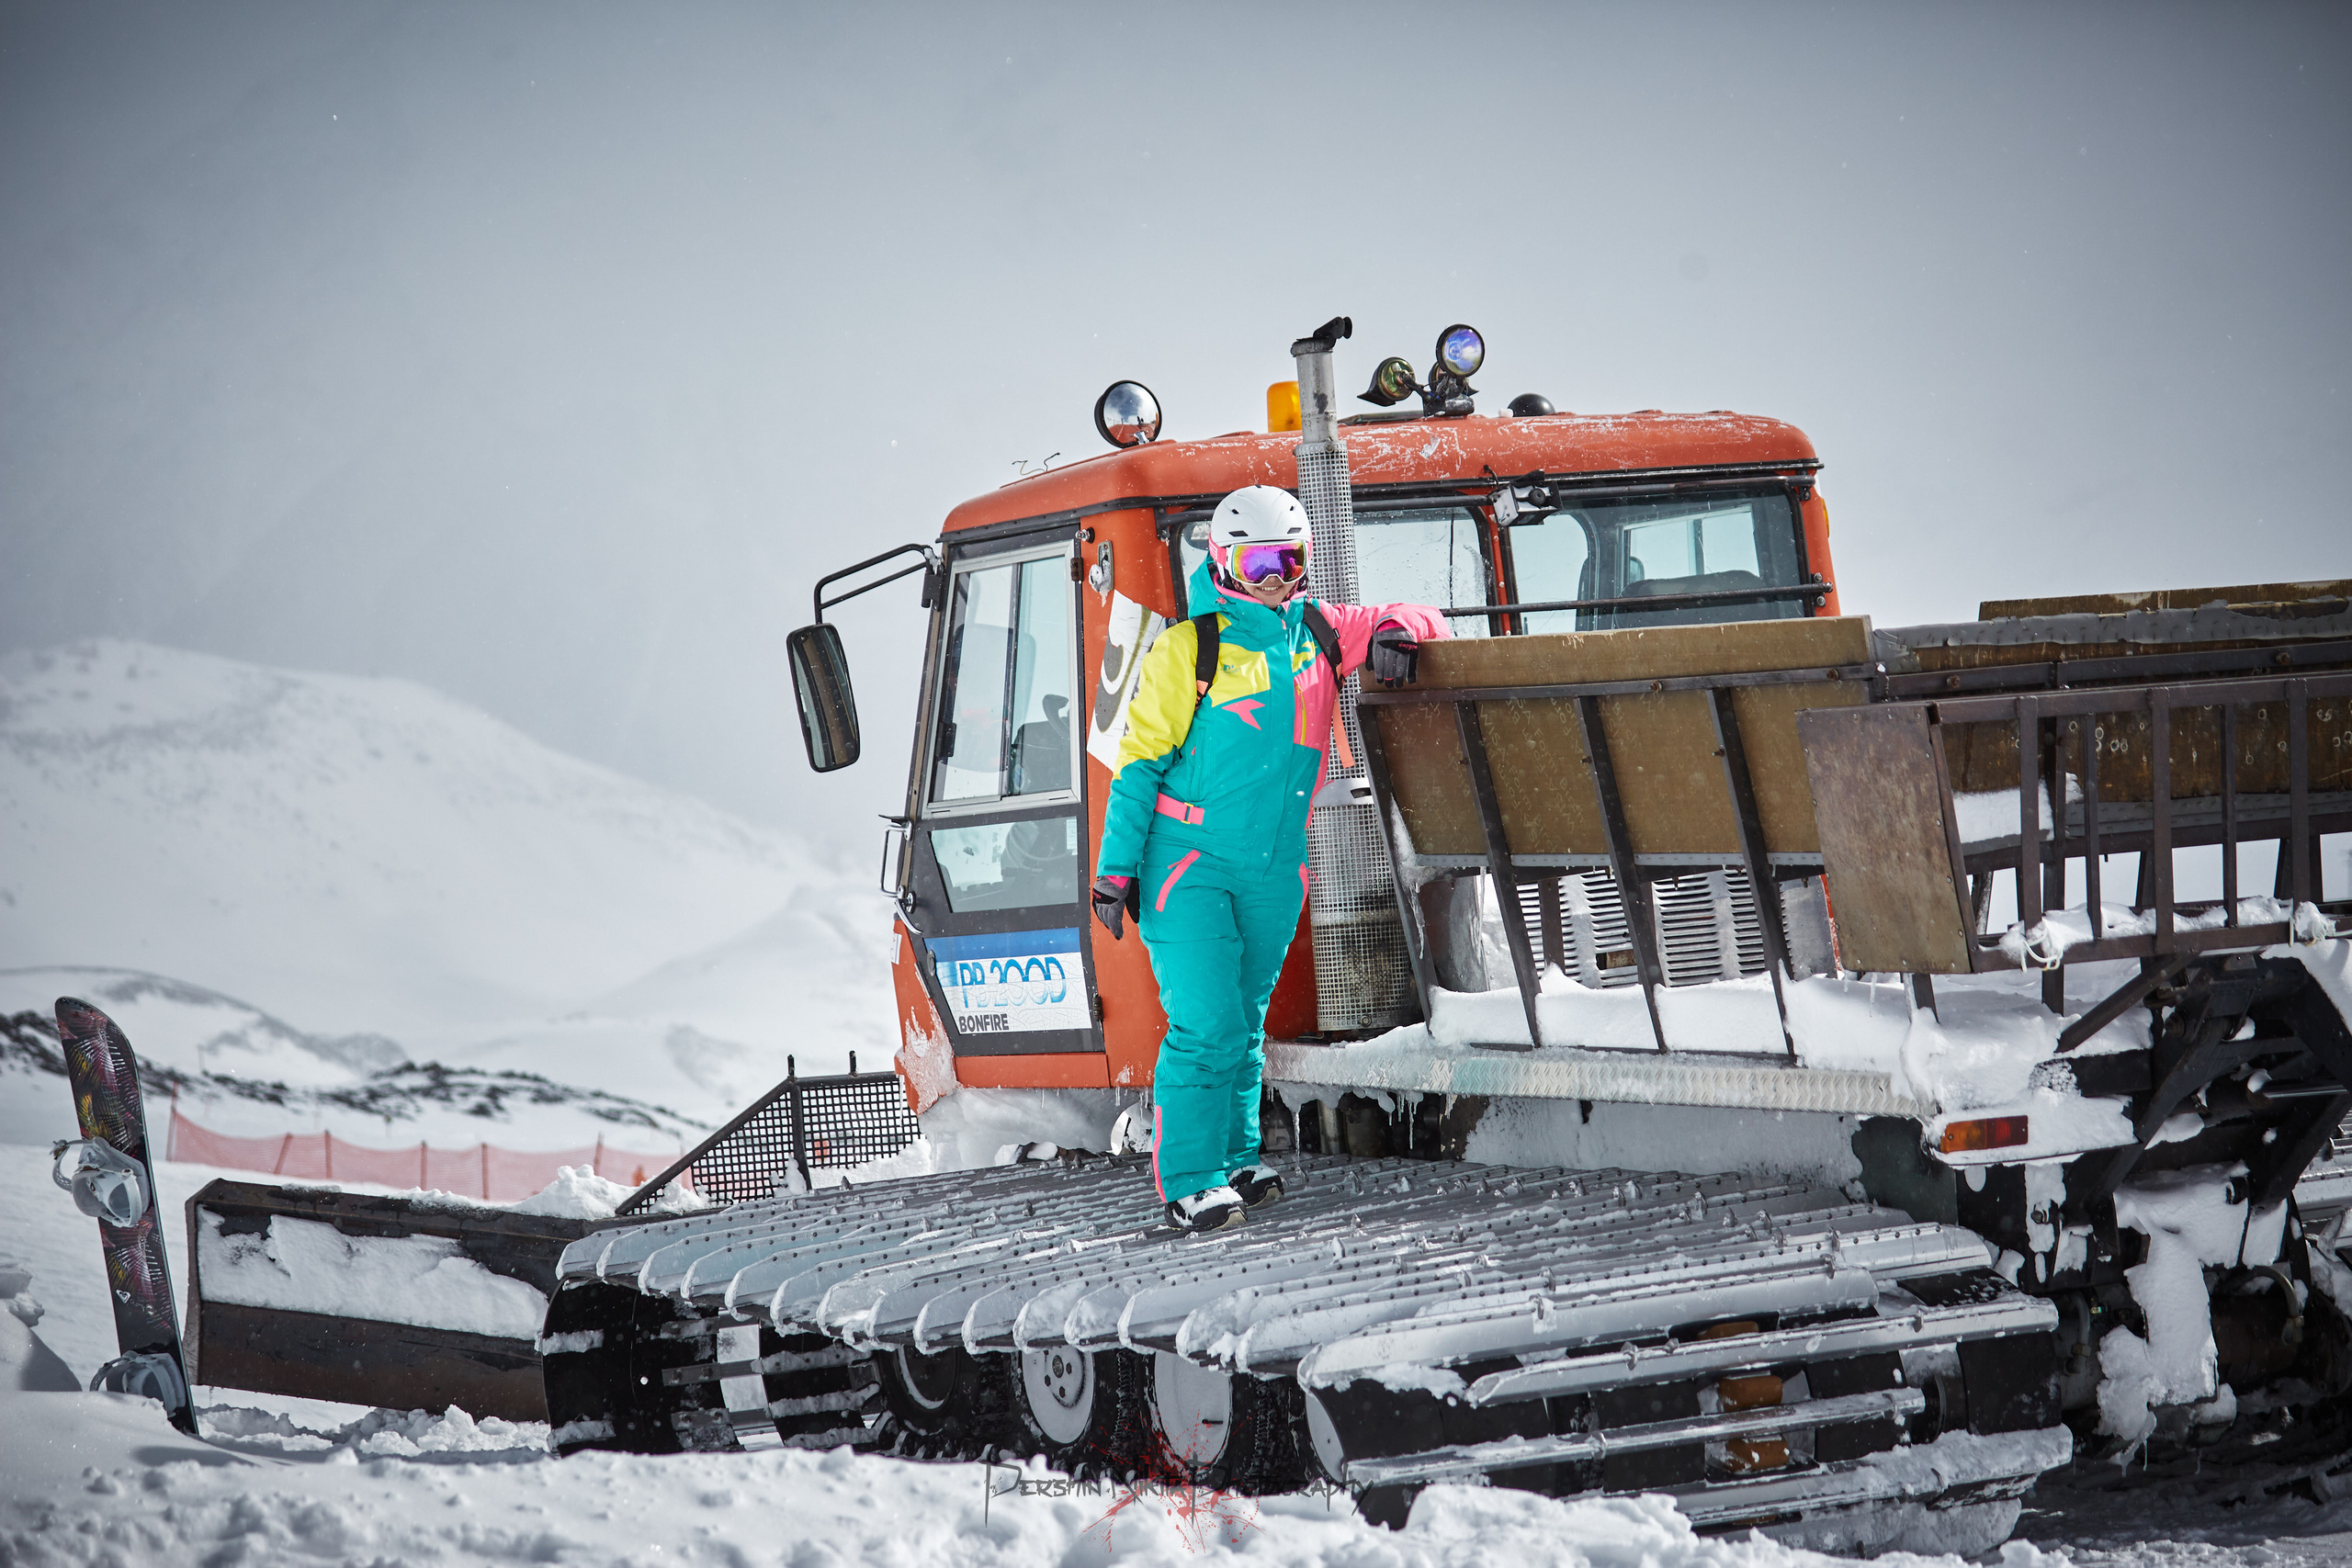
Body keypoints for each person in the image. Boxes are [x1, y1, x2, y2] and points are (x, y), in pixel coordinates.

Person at [1090, 486, 1450, 1234]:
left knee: (1246, 1024)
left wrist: (1402, 636)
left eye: (1290, 560)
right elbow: (1137, 770)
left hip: (1274, 865)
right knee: (1206, 1022)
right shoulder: (1188, 649)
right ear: (1224, 562)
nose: (1275, 578)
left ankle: (1234, 1161)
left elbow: (1418, 613)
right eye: (1258, 563)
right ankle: (1189, 1177)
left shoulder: (1314, 630)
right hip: (1187, 864)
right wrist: (1114, 873)